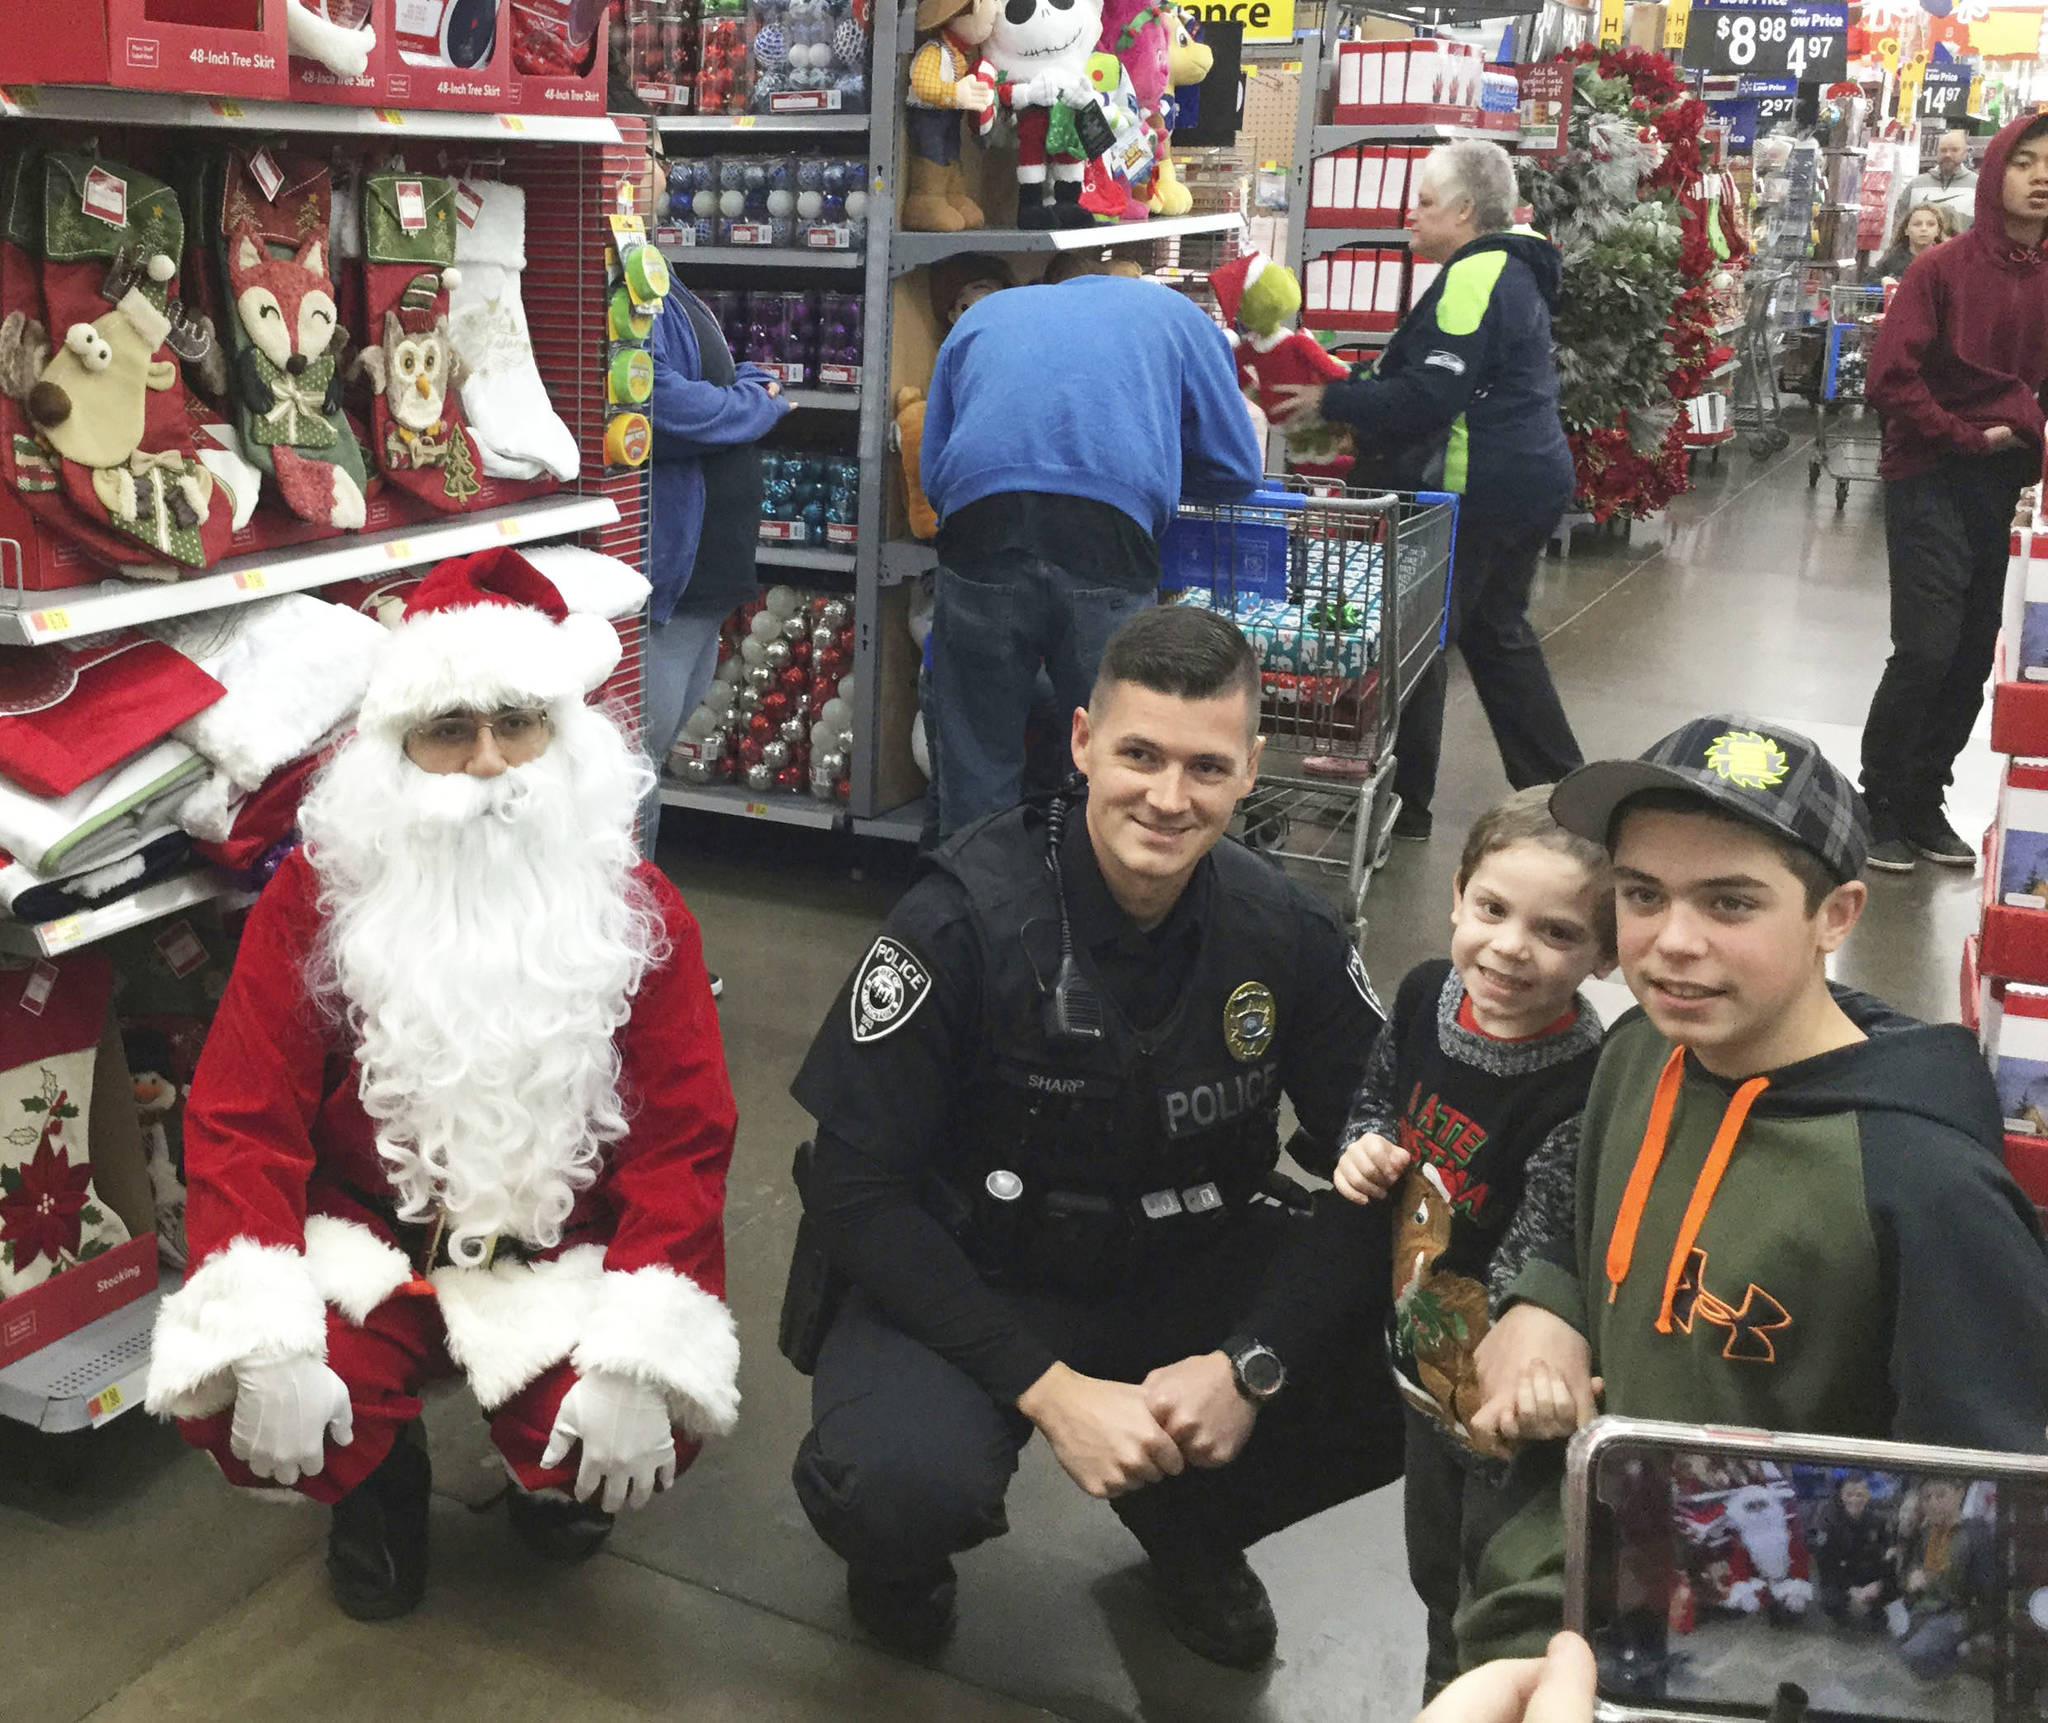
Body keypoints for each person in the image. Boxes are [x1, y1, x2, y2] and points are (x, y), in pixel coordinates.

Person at [785, 606, 1403, 1667]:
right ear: (1080, 742)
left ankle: (1191, 1524)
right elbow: (852, 1188)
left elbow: (1377, 1158)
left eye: (1205, 766)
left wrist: (1250, 1362)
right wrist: (1048, 1389)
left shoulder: (1287, 933)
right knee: (898, 1482)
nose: (1168, 798)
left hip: (1183, 1267)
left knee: (1418, 1356)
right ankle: (899, 1558)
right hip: (976, 1267)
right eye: (1138, 755)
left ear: (1251, 766)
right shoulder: (957, 921)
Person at [143, 550, 741, 1621]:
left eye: (518, 721)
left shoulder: (635, 903)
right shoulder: (320, 901)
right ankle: (377, 1477)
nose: (488, 763)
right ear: (394, 753)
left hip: (563, 1252)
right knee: (241, 1393)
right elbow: (241, 1115)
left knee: (646, 1414)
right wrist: (265, 1331)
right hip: (369, 1243)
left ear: (566, 736)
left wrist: (641, 1352)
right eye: (448, 730)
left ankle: (551, 1464)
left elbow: (687, 1137)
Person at [1454, 715, 2048, 1669]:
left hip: (1754, 1655)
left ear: (1838, 915)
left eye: (1730, 904)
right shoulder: (1638, 1051)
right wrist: (1546, 1298)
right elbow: (1585, 1217)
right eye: (1642, 894)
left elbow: (1988, 1518)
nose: (1672, 942)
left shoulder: (1922, 1188)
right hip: (1552, 1572)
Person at [1331, 785, 1612, 1695]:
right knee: (1431, 1565)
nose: (1509, 947)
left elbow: (1545, 1242)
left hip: (1500, 1408)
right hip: (1418, 1366)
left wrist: (1500, 1381)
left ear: (1606, 951)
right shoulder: (1424, 994)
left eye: (1557, 931)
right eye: (1492, 908)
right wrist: (1361, 1148)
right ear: (1457, 893)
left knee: (1494, 1588)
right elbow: (1378, 1095)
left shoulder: (1583, 1079)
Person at [1272, 139, 1579, 843]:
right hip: (1527, 474)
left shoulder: (1478, 273)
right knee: (1496, 635)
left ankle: (1401, 800)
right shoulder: (1514, 267)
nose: (1410, 216)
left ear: (1466, 211)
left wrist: (1334, 398)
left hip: (1474, 487)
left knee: (1412, 640)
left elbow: (1433, 394)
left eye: (1426, 203)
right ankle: (1563, 788)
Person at [920, 271, 1263, 840]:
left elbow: (935, 474)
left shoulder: (986, 311)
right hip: (1108, 536)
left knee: (975, 752)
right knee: (1115, 749)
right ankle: (1085, 898)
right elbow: (1237, 469)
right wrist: (1155, 468)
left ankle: (975, 905)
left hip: (980, 526)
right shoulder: (1184, 320)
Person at [1859, 113, 2048, 871]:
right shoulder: (1941, 269)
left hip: (2003, 481)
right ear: (1995, 168)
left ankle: (1922, 798)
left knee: (1973, 650)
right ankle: (1878, 801)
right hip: (1928, 472)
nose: (2040, 176)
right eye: (2025, 161)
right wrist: (1966, 434)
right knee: (1927, 646)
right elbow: (1887, 378)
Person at [643, 158, 792, 895]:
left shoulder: (652, 268)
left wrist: (737, 393)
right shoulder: (617, 278)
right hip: (661, 581)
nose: (655, 170)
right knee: (630, 773)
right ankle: (628, 960)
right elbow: (656, 407)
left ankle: (645, 944)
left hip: (700, 585)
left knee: (652, 763)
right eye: (646, 150)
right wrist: (754, 403)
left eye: (659, 153)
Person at [1894, 1479, 1995, 1679]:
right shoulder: (1926, 1532)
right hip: (1926, 1607)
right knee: (1900, 1651)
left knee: (1911, 1654)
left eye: (1941, 1495)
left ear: (1959, 1494)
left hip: (1959, 1613)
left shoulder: (1975, 1535)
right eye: (1927, 1498)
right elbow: (1910, 1572)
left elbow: (1988, 1593)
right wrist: (1912, 1578)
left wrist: (1978, 1631)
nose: (1932, 1503)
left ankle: (1955, 1659)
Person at [1811, 1473, 1898, 1630]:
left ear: (1868, 1496)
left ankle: (1876, 1613)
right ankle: (1843, 1617)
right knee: (1830, 1600)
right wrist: (1850, 1590)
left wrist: (1879, 1585)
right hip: (1842, 1577)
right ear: (1842, 1496)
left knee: (1892, 1590)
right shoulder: (1829, 1523)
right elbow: (1826, 1566)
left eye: (1860, 1495)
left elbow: (1888, 1558)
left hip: (1870, 1577)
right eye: (1849, 1494)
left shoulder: (1878, 1522)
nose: (1854, 1500)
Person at [1903, 129, 1978, 232]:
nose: (1948, 155)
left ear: (1965, 153)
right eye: (1943, 150)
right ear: (1937, 152)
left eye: (1954, 150)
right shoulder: (1916, 185)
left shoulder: (1978, 185)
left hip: (1962, 248)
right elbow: (1899, 223)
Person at [1864, 202, 1954, 285]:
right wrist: (1882, 281)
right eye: (1917, 224)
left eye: (1930, 224)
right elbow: (1867, 283)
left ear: (1938, 231)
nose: (1924, 229)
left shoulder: (1945, 259)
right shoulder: (1893, 257)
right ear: (1906, 230)